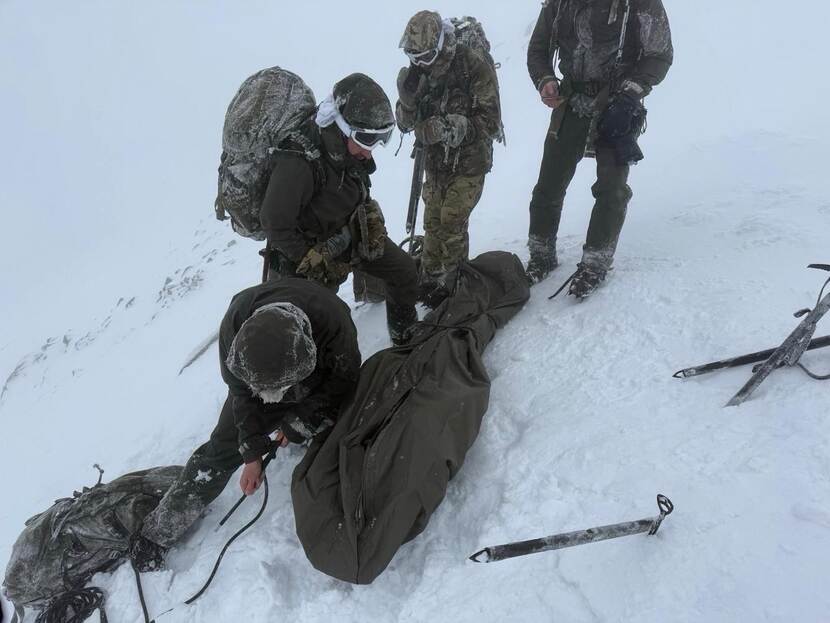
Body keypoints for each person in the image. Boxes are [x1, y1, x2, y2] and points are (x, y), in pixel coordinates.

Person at [133, 278, 361, 569]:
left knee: (339, 420)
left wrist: (299, 424)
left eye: (277, 392)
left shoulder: (335, 325)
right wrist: (250, 452)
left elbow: (342, 382)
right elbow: (242, 396)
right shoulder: (235, 332)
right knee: (222, 447)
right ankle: (158, 532)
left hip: (318, 374)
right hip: (264, 375)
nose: (273, 399)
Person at [525, 0, 673, 297]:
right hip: (570, 100)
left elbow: (659, 55)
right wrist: (545, 80)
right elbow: (538, 49)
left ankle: (595, 262)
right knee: (548, 184)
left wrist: (630, 94)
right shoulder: (559, 2)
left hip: (617, 103)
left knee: (611, 188)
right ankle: (541, 255)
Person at [261, 73, 418, 343]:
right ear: (343, 127)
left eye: (381, 138)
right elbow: (274, 223)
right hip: (308, 256)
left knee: (404, 272)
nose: (371, 150)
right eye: (366, 139)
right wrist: (312, 261)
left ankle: (404, 337)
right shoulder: (299, 162)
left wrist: (367, 218)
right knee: (311, 329)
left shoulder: (346, 149)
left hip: (351, 235)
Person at [395, 11, 502, 306]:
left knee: (452, 221)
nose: (420, 63)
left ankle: (454, 285)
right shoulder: (418, 73)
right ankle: (430, 279)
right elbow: (404, 124)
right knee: (432, 222)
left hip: (469, 162)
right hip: (435, 163)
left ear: (441, 45)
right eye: (414, 57)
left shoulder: (472, 65)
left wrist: (447, 128)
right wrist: (406, 101)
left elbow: (490, 121)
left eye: (426, 56)